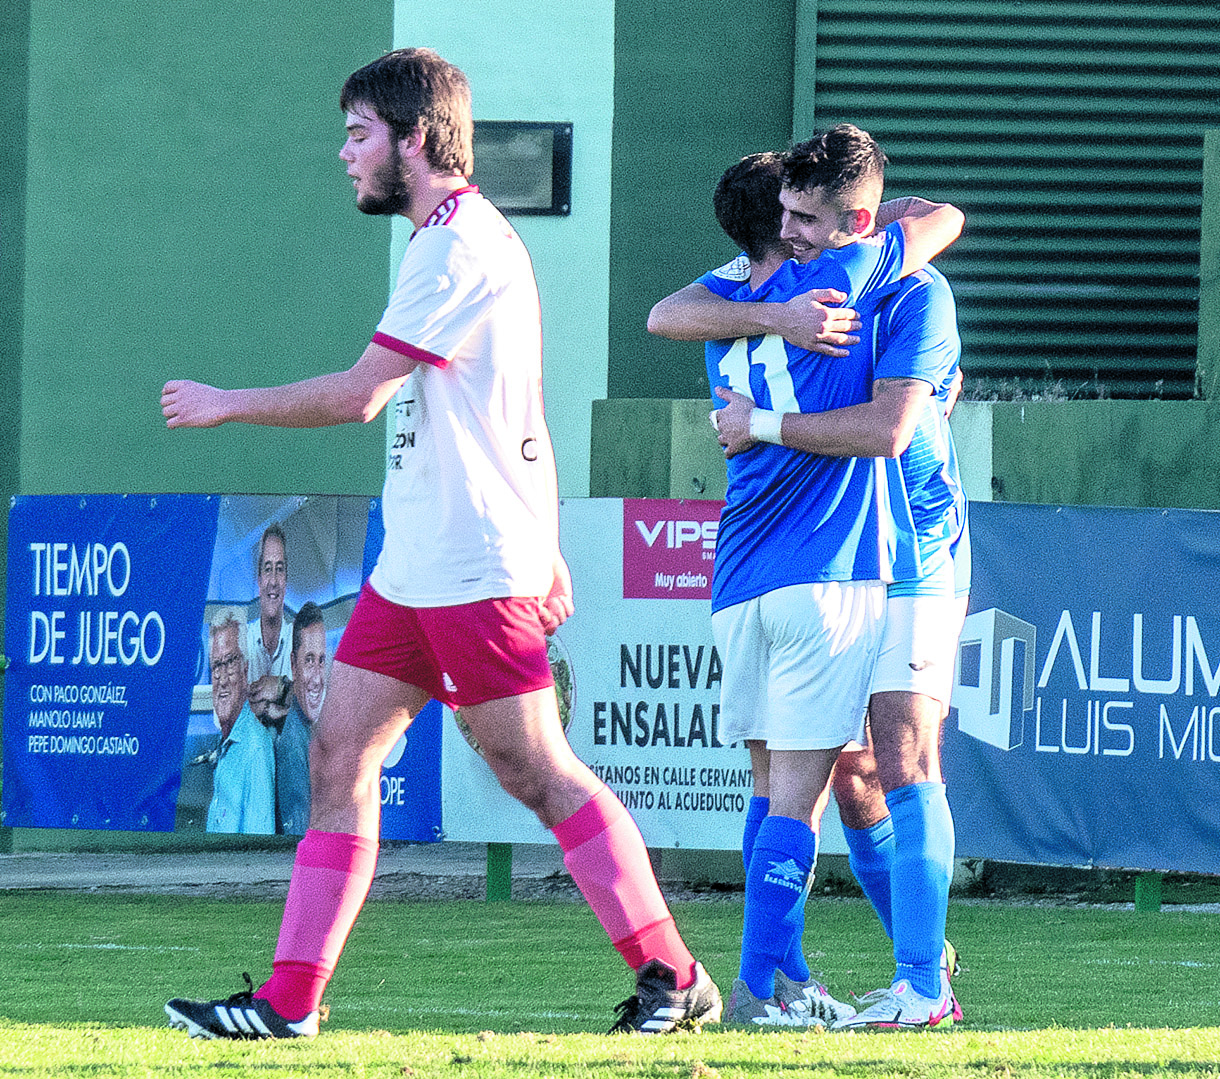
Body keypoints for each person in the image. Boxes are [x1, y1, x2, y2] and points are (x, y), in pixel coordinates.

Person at [162, 47, 720, 1039]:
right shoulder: (444, 240)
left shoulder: (458, 244)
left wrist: (225, 402)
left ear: (414, 139)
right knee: (338, 755)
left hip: (470, 567)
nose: (345, 154)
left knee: (534, 768)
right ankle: (290, 1003)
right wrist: (549, 541)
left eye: (358, 134)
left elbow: (358, 396)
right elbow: (519, 414)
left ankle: (675, 974)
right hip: (416, 568)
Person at [647, 127, 965, 1030]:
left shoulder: (910, 287)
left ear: (855, 222)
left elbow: (891, 430)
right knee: (844, 771)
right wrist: (782, 317)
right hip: (831, 557)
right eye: (782, 214)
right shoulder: (787, 281)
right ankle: (832, 968)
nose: (789, 233)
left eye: (807, 218)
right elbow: (673, 310)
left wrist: (761, 421)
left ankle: (916, 980)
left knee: (900, 753)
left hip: (913, 548)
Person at [206, 608, 277, 835]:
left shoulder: (255, 749)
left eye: (230, 662)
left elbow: (257, 846)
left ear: (245, 669)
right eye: (216, 666)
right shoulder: (225, 745)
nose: (222, 680)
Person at [276, 602, 327, 836]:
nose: (317, 678)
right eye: (308, 660)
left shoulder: (312, 729)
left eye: (321, 660)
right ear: (293, 665)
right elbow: (297, 838)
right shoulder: (294, 745)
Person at [248, 524, 292, 681]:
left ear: (286, 579)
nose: (273, 581)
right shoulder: (242, 642)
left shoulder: (300, 642)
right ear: (259, 580)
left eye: (279, 569)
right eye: (268, 569)